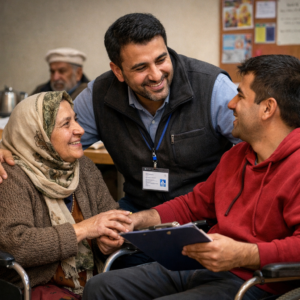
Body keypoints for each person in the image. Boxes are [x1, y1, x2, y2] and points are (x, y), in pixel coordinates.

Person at [0, 13, 239, 266]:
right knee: (114, 275)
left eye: (161, 59)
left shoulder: (213, 87)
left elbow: (259, 153)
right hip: (136, 211)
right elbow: (49, 138)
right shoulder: (99, 95)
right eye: (140, 67)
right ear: (118, 70)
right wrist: (6, 149)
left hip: (204, 214)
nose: (156, 75)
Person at [83, 55, 300, 300]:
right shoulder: (238, 155)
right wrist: (136, 220)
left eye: (240, 96)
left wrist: (244, 254)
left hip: (255, 282)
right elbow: (192, 205)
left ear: (268, 108)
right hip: (202, 265)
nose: (230, 104)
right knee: (99, 287)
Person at [0, 91, 132, 300]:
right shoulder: (11, 175)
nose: (80, 130)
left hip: (95, 283)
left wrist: (109, 240)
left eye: (76, 120)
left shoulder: (84, 168)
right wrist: (84, 229)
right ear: (38, 134)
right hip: (37, 286)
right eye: (66, 124)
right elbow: (16, 245)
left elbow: (112, 218)